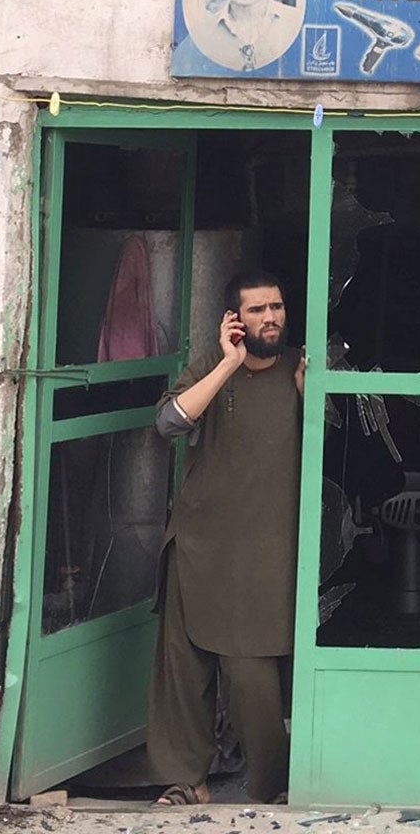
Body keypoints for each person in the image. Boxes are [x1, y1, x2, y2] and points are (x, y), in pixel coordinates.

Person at [147, 270, 306, 805]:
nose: (271, 318)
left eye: (277, 307)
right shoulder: (213, 367)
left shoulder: (302, 371)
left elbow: (344, 441)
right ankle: (186, 781)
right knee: (184, 668)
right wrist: (228, 364)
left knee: (252, 672)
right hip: (197, 546)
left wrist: (312, 397)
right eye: (258, 310)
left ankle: (272, 786)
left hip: (266, 550)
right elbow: (169, 423)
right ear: (235, 320)